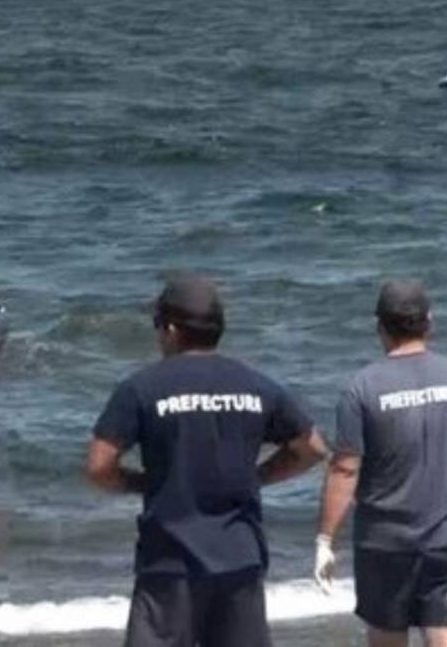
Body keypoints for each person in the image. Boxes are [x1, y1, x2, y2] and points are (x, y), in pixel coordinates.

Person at [86, 274, 327, 647]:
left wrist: (143, 482)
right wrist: (258, 476)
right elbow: (311, 448)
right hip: (240, 556)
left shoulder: (141, 387)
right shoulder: (256, 384)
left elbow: (99, 467)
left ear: (170, 329)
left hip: (170, 561)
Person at [313, 281, 447, 647]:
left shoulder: (361, 388)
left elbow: (345, 469)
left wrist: (325, 540)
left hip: (383, 542)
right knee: (444, 627)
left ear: (380, 328)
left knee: (387, 633)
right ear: (430, 323)